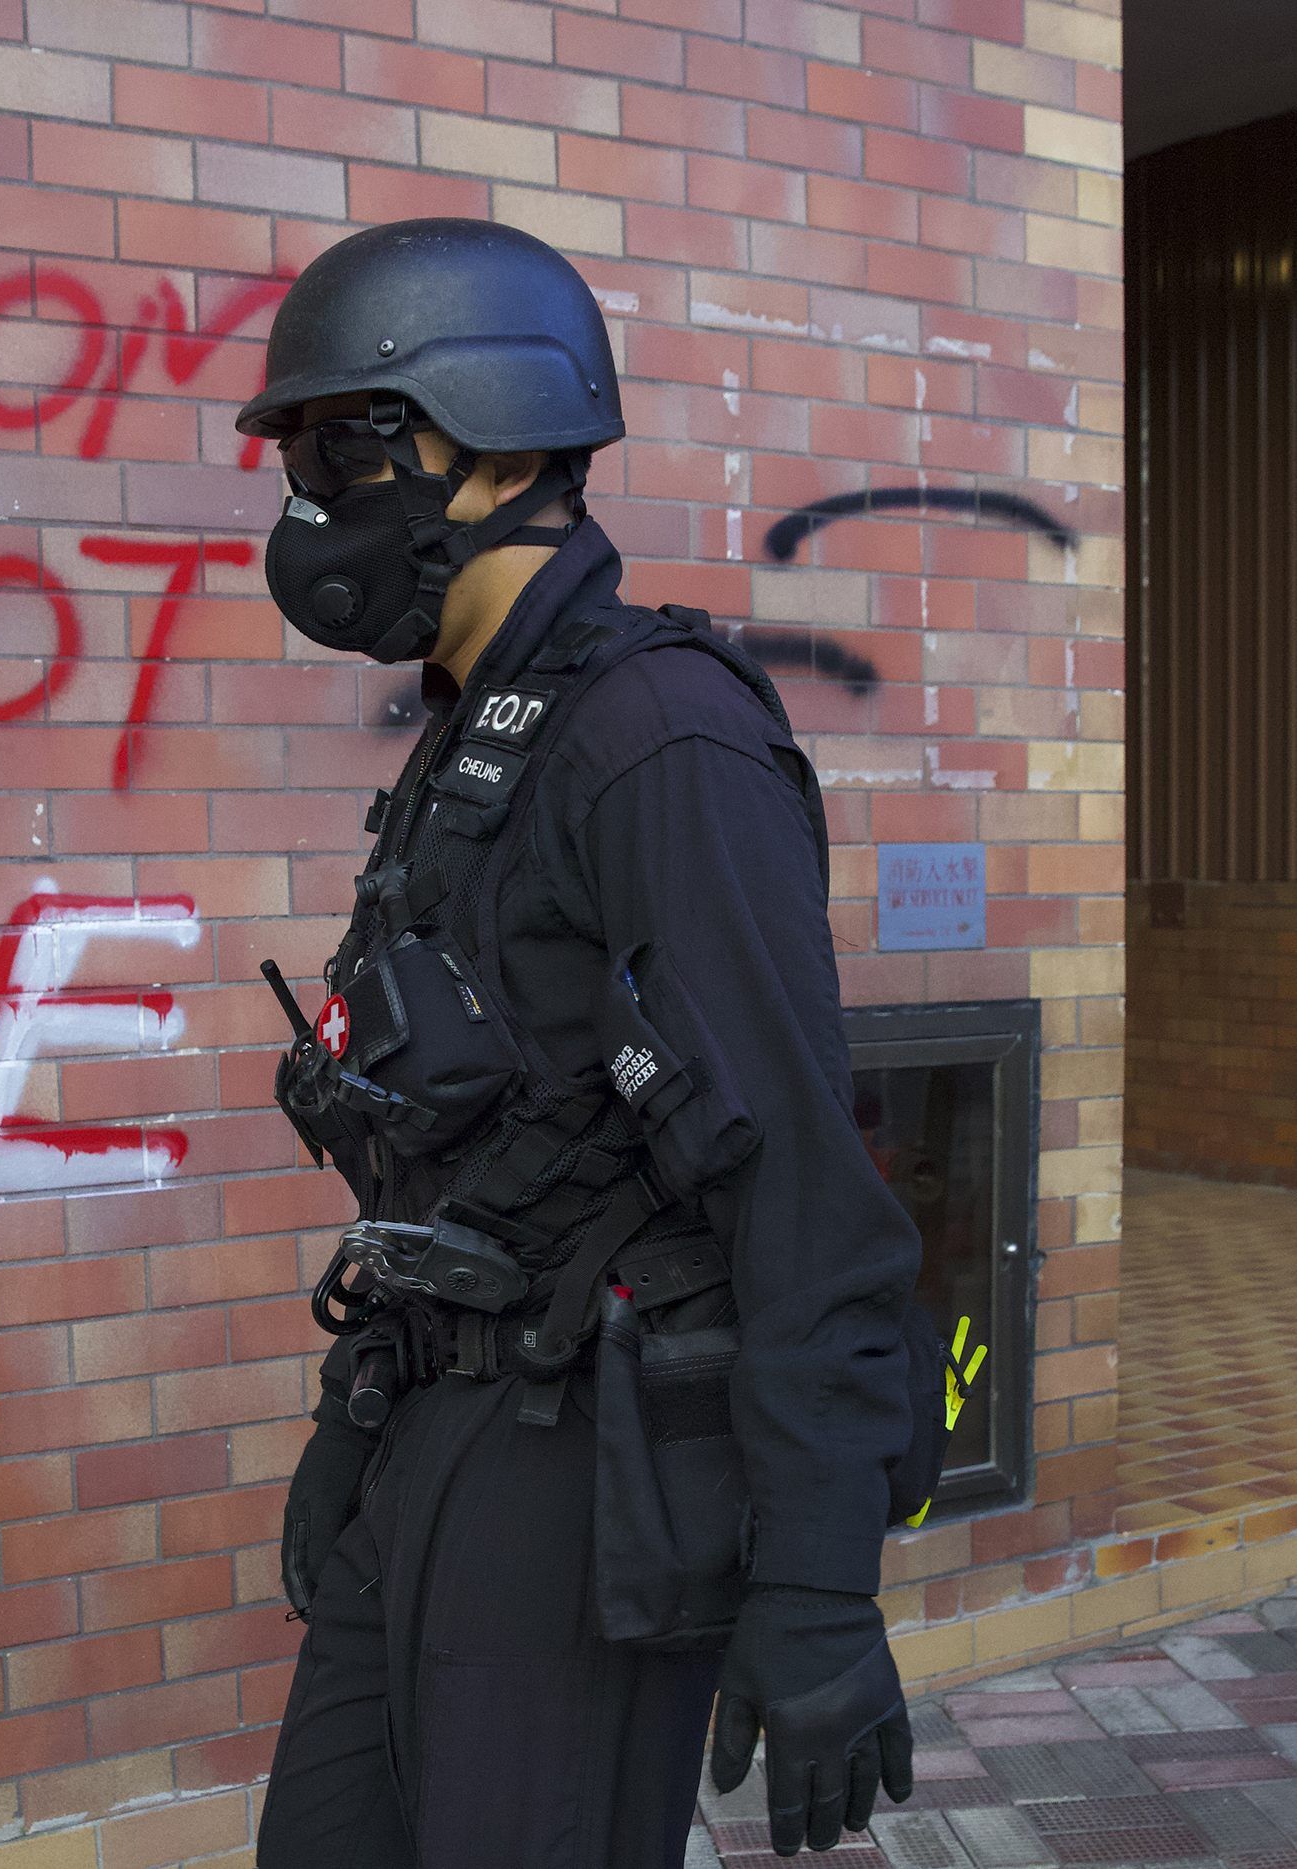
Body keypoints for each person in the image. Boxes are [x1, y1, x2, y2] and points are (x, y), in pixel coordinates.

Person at [240, 218, 927, 1868]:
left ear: (499, 444)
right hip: (439, 1431)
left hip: (581, 1482)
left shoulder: (658, 735)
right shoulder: (479, 730)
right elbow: (470, 1143)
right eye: (301, 452)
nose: (312, 501)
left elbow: (801, 1184)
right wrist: (359, 1429)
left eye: (349, 444)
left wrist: (819, 1583)